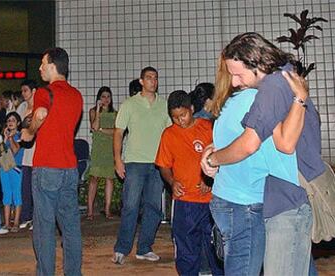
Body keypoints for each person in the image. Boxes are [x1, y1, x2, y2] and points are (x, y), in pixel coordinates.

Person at [201, 32, 324, 276]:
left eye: (238, 74)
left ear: (257, 63)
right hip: (284, 197)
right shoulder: (284, 77)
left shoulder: (272, 86)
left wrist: (213, 159)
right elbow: (276, 135)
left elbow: (255, 144)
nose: (234, 82)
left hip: (288, 200)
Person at [21, 47, 83, 276]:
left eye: (42, 63)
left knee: (44, 228)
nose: (39, 68)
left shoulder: (44, 92)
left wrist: (30, 133)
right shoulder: (77, 95)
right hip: (69, 168)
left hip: (47, 166)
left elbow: (40, 115)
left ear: (53, 65)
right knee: (70, 228)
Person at [155, 90, 223, 275]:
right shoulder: (168, 135)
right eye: (175, 117)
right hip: (185, 201)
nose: (180, 120)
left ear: (192, 109)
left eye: (183, 115)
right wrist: (171, 181)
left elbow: (221, 156)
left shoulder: (208, 127)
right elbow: (163, 165)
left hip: (210, 200)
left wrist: (210, 179)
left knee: (214, 245)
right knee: (186, 247)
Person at [112, 66, 171, 265]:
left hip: (157, 164)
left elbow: (170, 134)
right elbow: (118, 133)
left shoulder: (164, 105)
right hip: (134, 162)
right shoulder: (129, 104)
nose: (153, 81)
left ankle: (144, 248)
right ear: (141, 81)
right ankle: (122, 248)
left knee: (153, 207)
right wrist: (118, 159)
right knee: (130, 206)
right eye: (149, 78)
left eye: (155, 78)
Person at [86, 86, 117, 220]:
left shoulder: (115, 113)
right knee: (94, 178)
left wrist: (102, 129)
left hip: (110, 149)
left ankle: (107, 210)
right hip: (98, 149)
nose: (106, 99)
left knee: (110, 179)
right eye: (103, 97)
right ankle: (90, 211)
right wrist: (98, 110)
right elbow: (94, 126)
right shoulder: (93, 111)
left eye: (108, 97)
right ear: (99, 98)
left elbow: (116, 131)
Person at [16, 79, 37, 230]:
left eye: (26, 90)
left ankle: (36, 218)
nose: (23, 93)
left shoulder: (39, 107)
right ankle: (26, 216)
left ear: (33, 91)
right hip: (25, 151)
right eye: (22, 91)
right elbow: (17, 125)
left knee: (36, 188)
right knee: (25, 186)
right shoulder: (22, 107)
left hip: (37, 150)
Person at [0, 112, 24, 232]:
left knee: (17, 195)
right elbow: (2, 154)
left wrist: (10, 138)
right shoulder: (6, 136)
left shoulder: (20, 135)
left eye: (13, 120)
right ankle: (7, 222)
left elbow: (15, 150)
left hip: (16, 169)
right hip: (5, 167)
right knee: (6, 195)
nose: (10, 122)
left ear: (18, 123)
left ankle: (16, 222)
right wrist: (4, 139)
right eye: (8, 120)